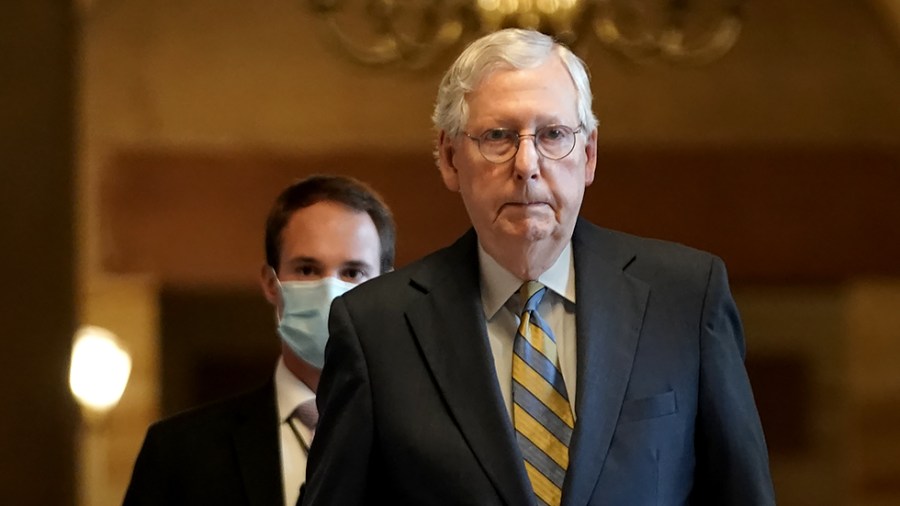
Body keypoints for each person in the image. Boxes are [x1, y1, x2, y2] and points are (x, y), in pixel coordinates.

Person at [302, 29, 775, 506]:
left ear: (588, 155)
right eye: (498, 137)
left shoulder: (686, 297)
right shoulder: (375, 328)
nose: (527, 164)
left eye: (552, 135)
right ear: (449, 158)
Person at [123, 174, 396, 506]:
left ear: (386, 289)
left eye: (352, 273)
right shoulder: (179, 452)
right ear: (270, 283)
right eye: (308, 270)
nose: (330, 293)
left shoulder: (432, 447)